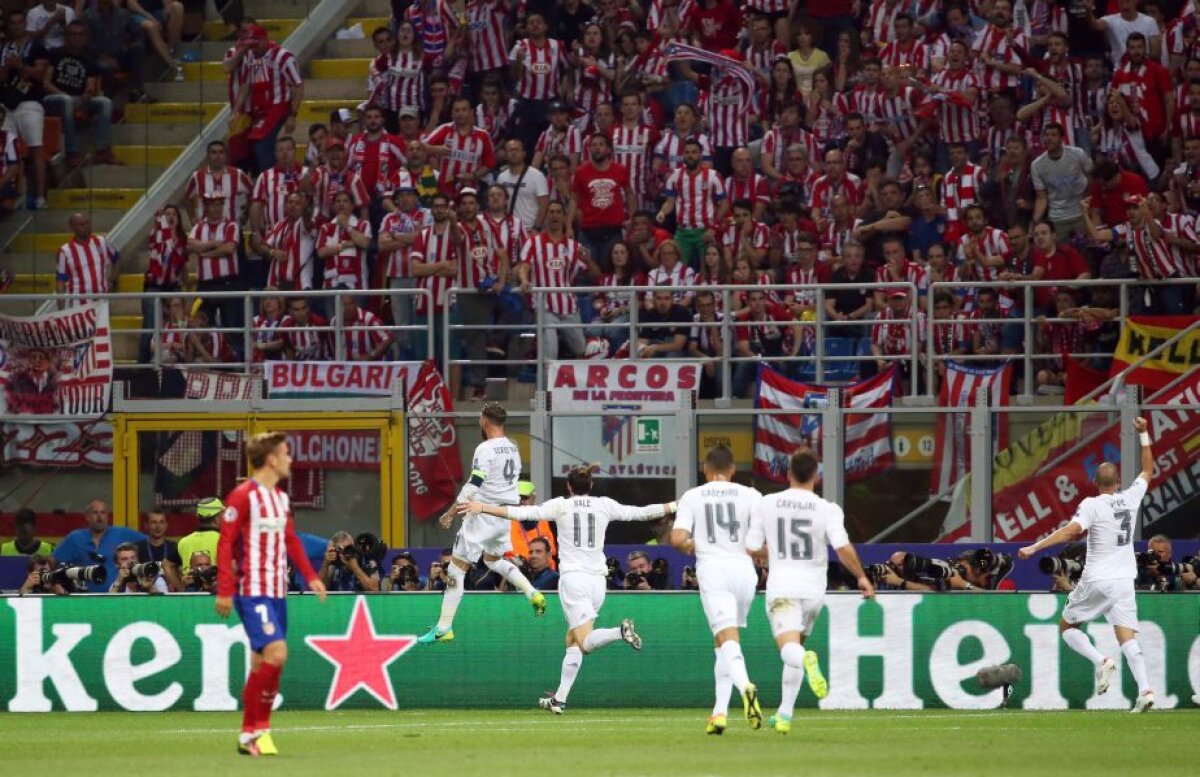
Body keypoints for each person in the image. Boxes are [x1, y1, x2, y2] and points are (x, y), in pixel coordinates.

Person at [462, 463, 675, 713]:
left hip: (574, 580)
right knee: (572, 639)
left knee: (584, 642)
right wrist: (673, 505)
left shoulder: (560, 505)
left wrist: (483, 507)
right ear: (591, 485)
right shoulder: (604, 504)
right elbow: (642, 513)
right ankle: (559, 698)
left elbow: (520, 513)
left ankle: (620, 632)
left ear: (568, 486)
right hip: (597, 582)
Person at [1017, 416, 1158, 713]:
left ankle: (1101, 661)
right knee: (1127, 637)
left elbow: (1071, 531)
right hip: (1124, 581)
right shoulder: (1131, 498)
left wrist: (1035, 546)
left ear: (1095, 483)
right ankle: (1145, 690)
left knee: (1067, 626)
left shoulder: (1091, 504)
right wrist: (1144, 434)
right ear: (1118, 482)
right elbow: (1148, 469)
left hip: (1098, 578)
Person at [747, 446, 875, 734]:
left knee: (791, 651)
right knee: (796, 645)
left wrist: (775, 554)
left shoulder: (767, 503)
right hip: (814, 591)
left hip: (783, 589)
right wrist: (862, 578)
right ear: (816, 477)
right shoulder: (827, 509)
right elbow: (842, 548)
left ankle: (807, 661)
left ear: (789, 474)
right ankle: (784, 715)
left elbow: (752, 548)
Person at [216, 432, 326, 756]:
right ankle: (258, 730)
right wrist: (224, 589)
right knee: (277, 654)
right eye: (286, 453)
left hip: (278, 591)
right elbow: (225, 542)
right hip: (251, 592)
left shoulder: (279, 497)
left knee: (260, 662)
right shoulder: (242, 496)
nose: (291, 459)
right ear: (272, 459)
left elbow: (291, 540)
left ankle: (250, 733)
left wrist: (310, 576)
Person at [419, 403, 545, 644]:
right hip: (502, 515)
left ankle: (444, 627)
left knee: (456, 569)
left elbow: (474, 484)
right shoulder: (513, 447)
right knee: (492, 560)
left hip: (482, 513)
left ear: (485, 421)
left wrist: (451, 512)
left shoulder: (485, 448)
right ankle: (532, 592)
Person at [668, 444, 766, 735]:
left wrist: (690, 544)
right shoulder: (752, 495)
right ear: (733, 469)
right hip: (745, 572)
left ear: (705, 469)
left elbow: (677, 538)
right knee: (722, 640)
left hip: (714, 572)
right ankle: (719, 713)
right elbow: (759, 545)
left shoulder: (693, 496)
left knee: (727, 637)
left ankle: (745, 685)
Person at [41, 21, 115, 167]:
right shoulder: (55, 53)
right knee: (67, 100)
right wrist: (66, 96)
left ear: (85, 37)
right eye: (73, 34)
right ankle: (73, 152)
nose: (77, 38)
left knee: (105, 102)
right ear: (66, 37)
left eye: (80, 34)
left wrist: (88, 93)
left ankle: (101, 150)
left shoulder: (89, 58)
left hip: (77, 99)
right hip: (54, 99)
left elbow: (90, 85)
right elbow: (46, 84)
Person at [53, 499, 144, 592]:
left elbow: (151, 542)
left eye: (103, 512)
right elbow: (52, 562)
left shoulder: (122, 533)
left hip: (116, 598)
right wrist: (55, 585)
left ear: (108, 516)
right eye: (95, 512)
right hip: (84, 600)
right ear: (87, 517)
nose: (99, 516)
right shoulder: (75, 538)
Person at [56, 212, 119, 307]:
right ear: (72, 227)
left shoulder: (101, 241)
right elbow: (61, 282)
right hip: (79, 305)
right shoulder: (65, 251)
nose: (86, 226)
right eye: (81, 224)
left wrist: (112, 280)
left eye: (87, 223)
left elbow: (117, 258)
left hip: (102, 301)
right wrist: (60, 313)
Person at [135, 509, 182, 591]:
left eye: (161, 522)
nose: (158, 526)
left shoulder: (175, 548)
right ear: (146, 525)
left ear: (166, 525)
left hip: (171, 595)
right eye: (154, 522)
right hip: (145, 595)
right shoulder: (138, 548)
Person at [177, 496, 224, 576]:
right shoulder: (224, 540)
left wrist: (180, 587)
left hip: (190, 588)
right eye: (222, 514)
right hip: (217, 588)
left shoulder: (183, 542)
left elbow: (167, 565)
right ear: (216, 519)